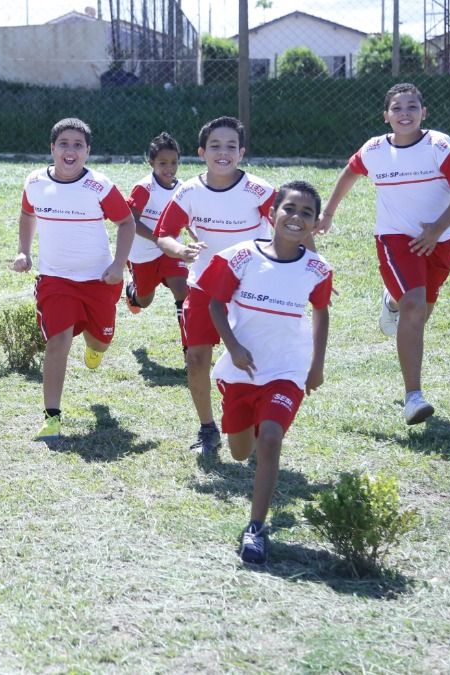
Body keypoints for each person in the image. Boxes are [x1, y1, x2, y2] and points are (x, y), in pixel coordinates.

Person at [317, 83, 450, 425]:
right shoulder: (374, 149)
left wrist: (435, 229)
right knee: (415, 306)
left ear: (424, 112)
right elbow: (350, 172)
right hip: (395, 241)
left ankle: (392, 302)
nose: (404, 113)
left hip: (439, 242)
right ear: (386, 116)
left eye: (411, 107)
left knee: (421, 311)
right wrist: (328, 213)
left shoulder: (439, 145)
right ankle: (413, 397)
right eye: (397, 108)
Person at [198, 180, 333, 564]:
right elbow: (215, 304)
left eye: (307, 212)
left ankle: (256, 528)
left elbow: (322, 313)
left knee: (271, 437)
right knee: (241, 452)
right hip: (241, 371)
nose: (296, 217)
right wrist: (233, 347)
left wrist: (316, 365)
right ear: (273, 213)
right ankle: (254, 426)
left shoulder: (318, 269)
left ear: (315, 223)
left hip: (287, 370)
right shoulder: (240, 257)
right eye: (289, 208)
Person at [155, 116, 275, 455]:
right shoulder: (189, 191)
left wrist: (313, 269)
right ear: (201, 152)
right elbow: (164, 233)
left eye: (231, 147)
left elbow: (293, 228)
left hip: (252, 286)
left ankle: (252, 420)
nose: (223, 153)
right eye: (215, 146)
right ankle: (208, 429)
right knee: (196, 359)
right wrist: (180, 249)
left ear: (242, 153)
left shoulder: (260, 190)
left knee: (253, 360)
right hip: (205, 286)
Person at [11, 118, 137, 440]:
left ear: (88, 152)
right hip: (55, 279)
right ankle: (51, 417)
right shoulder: (35, 182)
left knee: (101, 341)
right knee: (58, 341)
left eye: (78, 145)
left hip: (99, 280)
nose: (70, 151)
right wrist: (24, 251)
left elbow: (126, 222)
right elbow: (27, 215)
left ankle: (95, 347)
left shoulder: (99, 186)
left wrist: (118, 265)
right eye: (64, 144)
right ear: (52, 148)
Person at [124, 132, 203, 324]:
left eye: (174, 162)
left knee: (182, 289)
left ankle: (188, 343)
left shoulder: (183, 188)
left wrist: (196, 235)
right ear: (151, 162)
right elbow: (131, 220)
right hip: (143, 252)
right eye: (163, 163)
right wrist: (157, 238)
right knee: (144, 301)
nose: (169, 168)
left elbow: (187, 219)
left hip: (171, 249)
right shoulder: (144, 188)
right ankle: (132, 292)